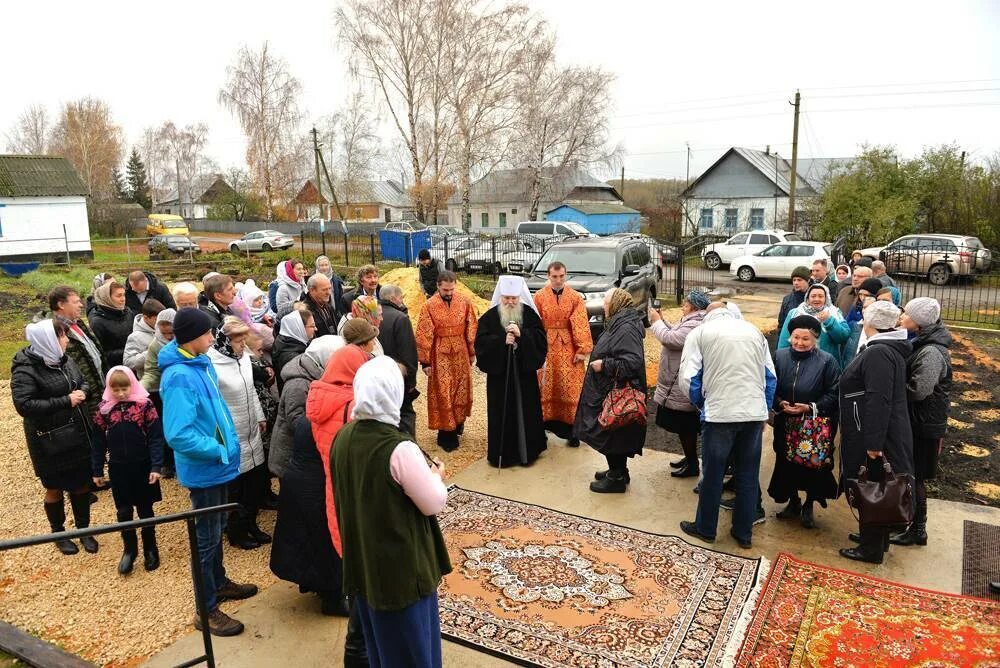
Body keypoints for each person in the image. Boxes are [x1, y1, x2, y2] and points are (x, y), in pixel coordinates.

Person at [331, 356, 451, 668]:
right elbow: (433, 502)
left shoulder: (343, 437)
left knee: (381, 649)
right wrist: (436, 476)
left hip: (366, 562)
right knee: (411, 652)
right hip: (401, 570)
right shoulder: (400, 449)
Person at [159, 308, 258, 636]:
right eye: (207, 332)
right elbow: (178, 433)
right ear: (192, 336)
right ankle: (206, 608)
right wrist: (218, 449)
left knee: (216, 530)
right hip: (205, 470)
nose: (212, 337)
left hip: (216, 467)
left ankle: (218, 583)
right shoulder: (179, 375)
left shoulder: (198, 364)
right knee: (206, 537)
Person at [678, 301, 776, 550]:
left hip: (720, 414)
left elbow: (688, 378)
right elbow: (770, 376)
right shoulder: (753, 331)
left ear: (707, 316)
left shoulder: (700, 333)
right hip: (753, 414)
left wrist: (704, 405)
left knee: (713, 473)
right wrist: (763, 410)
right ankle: (743, 533)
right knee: (747, 473)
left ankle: (706, 528)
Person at [12, 319, 98, 556]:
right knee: (55, 487)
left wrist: (84, 391)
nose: (67, 340)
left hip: (77, 434)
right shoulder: (25, 368)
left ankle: (83, 531)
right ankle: (59, 533)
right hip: (49, 440)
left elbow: (83, 382)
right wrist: (66, 400)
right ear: (48, 340)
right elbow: (24, 404)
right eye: (62, 336)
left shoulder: (65, 359)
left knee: (81, 483)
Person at [838, 301, 914, 564]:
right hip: (878, 431)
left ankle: (871, 549)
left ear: (870, 323)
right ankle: (874, 539)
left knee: (873, 486)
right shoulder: (886, 349)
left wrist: (873, 443)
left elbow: (877, 399)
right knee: (877, 486)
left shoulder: (878, 353)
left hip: (875, 434)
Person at [269, 416, 350, 616]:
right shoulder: (336, 419)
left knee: (309, 540)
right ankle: (332, 598)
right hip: (317, 486)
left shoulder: (312, 415)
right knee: (326, 541)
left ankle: (316, 584)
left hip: (302, 480)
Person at [766, 315, 841, 528]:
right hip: (785, 421)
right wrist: (779, 403)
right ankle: (793, 501)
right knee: (785, 461)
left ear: (815, 339)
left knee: (813, 466)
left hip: (814, 426)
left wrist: (809, 407)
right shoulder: (779, 356)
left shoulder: (827, 361)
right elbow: (769, 384)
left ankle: (809, 503)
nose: (799, 342)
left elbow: (835, 391)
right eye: (796, 337)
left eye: (805, 339)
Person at [91, 366, 164, 574]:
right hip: (118, 467)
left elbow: (156, 438)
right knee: (123, 511)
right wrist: (97, 470)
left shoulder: (144, 405)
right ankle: (129, 550)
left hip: (142, 465)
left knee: (145, 509)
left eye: (125, 389)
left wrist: (156, 465)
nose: (121, 394)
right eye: (116, 390)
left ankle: (151, 548)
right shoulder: (104, 409)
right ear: (109, 388)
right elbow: (98, 441)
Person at [893, 298, 952, 548]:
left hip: (924, 425)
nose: (901, 317)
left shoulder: (931, 352)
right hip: (921, 421)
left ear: (918, 321)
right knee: (913, 475)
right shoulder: (924, 341)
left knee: (916, 477)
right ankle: (912, 524)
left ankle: (918, 529)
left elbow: (919, 390)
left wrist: (893, 393)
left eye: (905, 313)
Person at [575, 289, 647, 493]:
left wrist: (604, 365)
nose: (604, 306)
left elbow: (632, 361)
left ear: (616, 303)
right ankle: (618, 470)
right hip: (608, 388)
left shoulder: (625, 328)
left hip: (616, 391)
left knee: (612, 431)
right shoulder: (621, 322)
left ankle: (616, 477)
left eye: (606, 303)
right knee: (613, 431)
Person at [208, 317, 270, 550]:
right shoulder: (212, 363)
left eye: (244, 338)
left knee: (254, 482)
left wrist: (260, 416)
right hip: (231, 430)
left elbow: (250, 389)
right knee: (236, 486)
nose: (243, 344)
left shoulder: (242, 358)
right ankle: (235, 530)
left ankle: (251, 523)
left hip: (251, 427)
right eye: (238, 340)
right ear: (225, 340)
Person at [475, 276, 548, 468]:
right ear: (500, 296)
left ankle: (528, 452)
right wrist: (501, 342)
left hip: (524, 377)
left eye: (514, 298)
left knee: (527, 412)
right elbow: (480, 345)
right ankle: (504, 455)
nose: (510, 302)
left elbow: (541, 341)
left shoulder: (530, 315)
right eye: (506, 298)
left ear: (519, 297)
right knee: (501, 414)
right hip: (500, 378)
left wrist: (522, 336)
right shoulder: (489, 317)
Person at [649, 290, 709, 478]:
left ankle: (692, 463)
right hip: (676, 380)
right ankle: (688, 457)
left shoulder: (696, 323)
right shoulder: (691, 321)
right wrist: (663, 320)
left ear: (694, 306)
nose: (683, 306)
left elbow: (671, 339)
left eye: (685, 304)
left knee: (686, 427)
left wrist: (656, 321)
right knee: (684, 427)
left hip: (680, 383)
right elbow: (674, 332)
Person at [416, 270, 477, 451]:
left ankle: (458, 423)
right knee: (443, 391)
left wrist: (472, 352)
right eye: (445, 290)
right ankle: (446, 432)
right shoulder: (428, 306)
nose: (449, 293)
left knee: (461, 389)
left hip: (461, 351)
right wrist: (425, 362)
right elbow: (423, 334)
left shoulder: (465, 302)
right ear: (438, 286)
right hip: (439, 353)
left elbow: (471, 327)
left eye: (451, 289)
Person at [533, 261, 593, 447]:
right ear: (548, 276)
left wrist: (582, 350)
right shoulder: (539, 297)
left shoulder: (575, 297)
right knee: (546, 386)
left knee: (571, 388)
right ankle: (542, 428)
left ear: (565, 276)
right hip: (547, 346)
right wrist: (535, 348)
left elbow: (581, 322)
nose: (558, 280)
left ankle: (573, 431)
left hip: (568, 347)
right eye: (554, 276)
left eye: (561, 276)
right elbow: (535, 323)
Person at [270, 335, 345, 478]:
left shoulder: (314, 372)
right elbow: (296, 421)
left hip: (303, 454)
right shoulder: (299, 384)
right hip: (291, 456)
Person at [378, 285, 420, 436]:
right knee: (405, 415)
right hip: (398, 376)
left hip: (378, 376)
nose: (402, 301)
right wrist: (411, 381)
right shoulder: (400, 318)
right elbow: (408, 351)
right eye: (401, 297)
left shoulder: (372, 314)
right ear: (393, 298)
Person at [142, 308, 177, 478]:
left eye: (171, 333)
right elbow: (151, 371)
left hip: (180, 389)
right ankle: (167, 463)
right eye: (165, 333)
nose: (169, 337)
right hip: (162, 392)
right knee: (164, 427)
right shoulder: (155, 345)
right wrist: (141, 388)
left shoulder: (185, 340)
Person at [777, 284, 851, 362]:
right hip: (799, 362)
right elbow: (784, 340)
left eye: (820, 296)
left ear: (826, 298)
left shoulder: (834, 313)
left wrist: (829, 320)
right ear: (807, 298)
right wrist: (782, 360)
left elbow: (843, 337)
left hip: (826, 364)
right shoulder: (795, 313)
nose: (817, 299)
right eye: (813, 296)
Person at [89, 281, 135, 368]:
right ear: (107, 298)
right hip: (116, 370)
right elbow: (100, 354)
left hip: (134, 362)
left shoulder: (128, 312)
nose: (123, 299)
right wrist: (126, 352)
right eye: (118, 296)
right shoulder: (97, 322)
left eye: (124, 295)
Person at [273, 309, 317, 392]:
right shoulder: (290, 357)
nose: (316, 329)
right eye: (312, 326)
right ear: (298, 328)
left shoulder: (294, 342)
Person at [123, 299, 165, 376]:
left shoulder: (166, 328)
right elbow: (128, 362)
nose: (161, 322)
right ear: (146, 318)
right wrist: (152, 352)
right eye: (157, 319)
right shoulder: (135, 337)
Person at [779, 266, 811, 331]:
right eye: (794, 280)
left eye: (799, 280)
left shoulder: (815, 298)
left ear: (808, 280)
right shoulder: (787, 299)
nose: (796, 283)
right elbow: (781, 324)